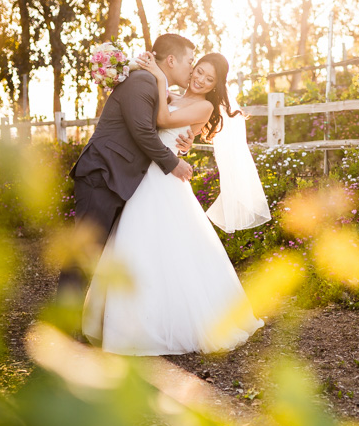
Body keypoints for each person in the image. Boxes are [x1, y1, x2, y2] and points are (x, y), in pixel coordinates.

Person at [81, 51, 270, 356]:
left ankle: (168, 323)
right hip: (146, 174)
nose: (200, 79)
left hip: (166, 178)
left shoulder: (205, 106)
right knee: (139, 241)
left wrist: (158, 76)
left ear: (215, 86)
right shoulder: (171, 93)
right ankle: (129, 320)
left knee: (168, 245)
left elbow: (162, 120)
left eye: (209, 78)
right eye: (199, 71)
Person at [55, 34, 198, 321]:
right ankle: (61, 325)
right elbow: (142, 131)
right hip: (102, 173)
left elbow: (159, 125)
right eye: (190, 62)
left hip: (115, 177)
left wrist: (185, 138)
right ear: (171, 60)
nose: (192, 69)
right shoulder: (143, 82)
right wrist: (174, 164)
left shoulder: (153, 84)